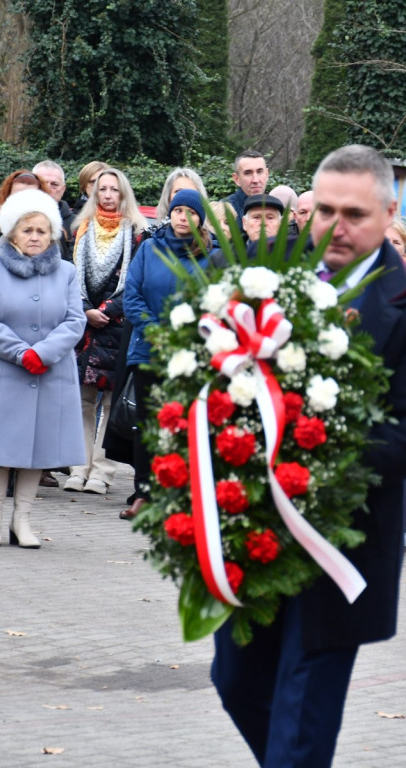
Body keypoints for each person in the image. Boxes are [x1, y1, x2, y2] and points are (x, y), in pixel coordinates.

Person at [210, 144, 406, 768]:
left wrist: (305, 458)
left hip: (341, 547)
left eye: (354, 213)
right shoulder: (264, 284)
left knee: (301, 723)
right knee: (235, 682)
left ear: (388, 213)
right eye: (323, 211)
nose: (336, 226)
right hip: (254, 536)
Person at [0, 189, 86, 547]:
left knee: (39, 447)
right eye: (27, 230)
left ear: (53, 234)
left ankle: (23, 520)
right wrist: (22, 353)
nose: (35, 237)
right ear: (11, 233)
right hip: (4, 370)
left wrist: (44, 353)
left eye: (42, 230)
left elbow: (74, 320)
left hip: (51, 372)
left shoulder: (66, 272)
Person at [121, 189, 210, 520]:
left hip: (191, 354)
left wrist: (187, 337)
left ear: (200, 217)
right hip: (149, 350)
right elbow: (132, 296)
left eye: (190, 211)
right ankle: (144, 492)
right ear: (169, 214)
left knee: (182, 424)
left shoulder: (210, 254)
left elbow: (214, 301)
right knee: (147, 425)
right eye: (177, 210)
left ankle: (177, 495)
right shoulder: (148, 249)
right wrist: (156, 333)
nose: (183, 217)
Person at [67, 168, 146, 495]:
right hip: (84, 324)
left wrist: (108, 310)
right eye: (103, 189)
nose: (109, 195)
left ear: (124, 194)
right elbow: (69, 274)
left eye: (115, 189)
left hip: (118, 324)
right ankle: (78, 467)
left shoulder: (138, 232)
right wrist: (85, 309)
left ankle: (102, 472)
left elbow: (136, 283)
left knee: (113, 401)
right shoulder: (80, 230)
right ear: (94, 193)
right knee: (82, 401)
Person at [0, 170, 52, 254]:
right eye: (17, 196)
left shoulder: (53, 234)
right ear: (7, 198)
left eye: (30, 197)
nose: (23, 202)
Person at [222, 150, 269, 221]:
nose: (255, 180)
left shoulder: (275, 208)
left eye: (259, 172)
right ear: (236, 179)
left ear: (267, 174)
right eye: (248, 173)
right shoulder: (223, 211)